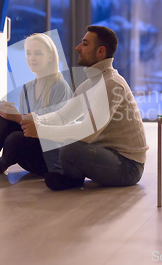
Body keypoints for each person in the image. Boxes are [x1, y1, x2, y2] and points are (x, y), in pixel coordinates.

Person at [21, 25, 148, 191]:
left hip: (128, 166)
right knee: (65, 142)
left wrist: (41, 130)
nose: (78, 47)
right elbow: (62, 116)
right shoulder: (89, 84)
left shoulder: (111, 83)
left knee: (70, 147)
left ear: (100, 51)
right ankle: (72, 179)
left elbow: (87, 132)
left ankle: (71, 178)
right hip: (104, 154)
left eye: (85, 44)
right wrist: (37, 120)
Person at [0, 33, 72, 186]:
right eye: (29, 53)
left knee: (15, 138)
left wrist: (17, 117)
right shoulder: (27, 87)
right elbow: (24, 124)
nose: (32, 58)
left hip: (50, 157)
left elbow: (54, 127)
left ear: (50, 57)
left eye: (38, 53)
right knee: (5, 121)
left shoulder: (60, 86)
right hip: (30, 154)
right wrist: (11, 114)